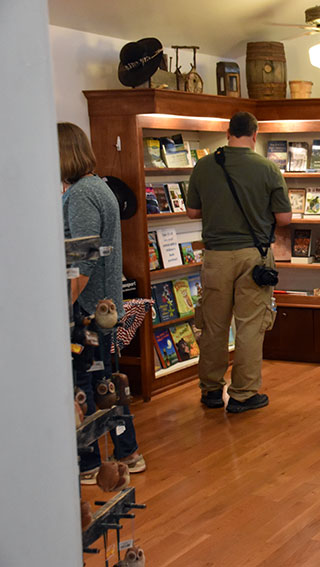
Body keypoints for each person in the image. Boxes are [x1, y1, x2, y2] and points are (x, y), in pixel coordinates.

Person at [186, 112, 291, 413]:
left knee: (213, 325)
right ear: (255, 134)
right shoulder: (268, 168)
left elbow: (193, 212)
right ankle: (243, 394)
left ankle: (210, 390)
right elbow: (284, 218)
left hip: (215, 256)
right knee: (250, 326)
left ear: (227, 132)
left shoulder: (204, 166)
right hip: (254, 257)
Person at [58, 122, 146, 482]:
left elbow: (84, 258)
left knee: (87, 387)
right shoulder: (99, 188)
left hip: (88, 311)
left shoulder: (81, 194)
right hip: (102, 308)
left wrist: (63, 306)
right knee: (107, 384)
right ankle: (128, 452)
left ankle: (92, 463)